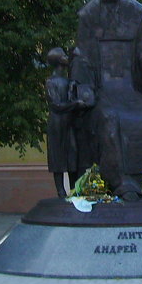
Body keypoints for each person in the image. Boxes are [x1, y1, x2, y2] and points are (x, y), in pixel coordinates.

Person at [71, 0, 142, 199]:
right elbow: (81, 55)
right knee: (109, 118)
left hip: (130, 88)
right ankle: (120, 180)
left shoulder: (134, 11)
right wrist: (84, 88)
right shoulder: (89, 15)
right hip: (103, 89)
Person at [45, 47, 80, 197]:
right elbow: (56, 105)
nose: (67, 57)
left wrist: (72, 92)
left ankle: (74, 190)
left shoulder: (69, 81)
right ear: (59, 60)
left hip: (69, 122)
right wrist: (75, 103)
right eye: (64, 55)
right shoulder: (51, 82)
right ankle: (60, 191)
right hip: (57, 123)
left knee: (72, 155)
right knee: (57, 157)